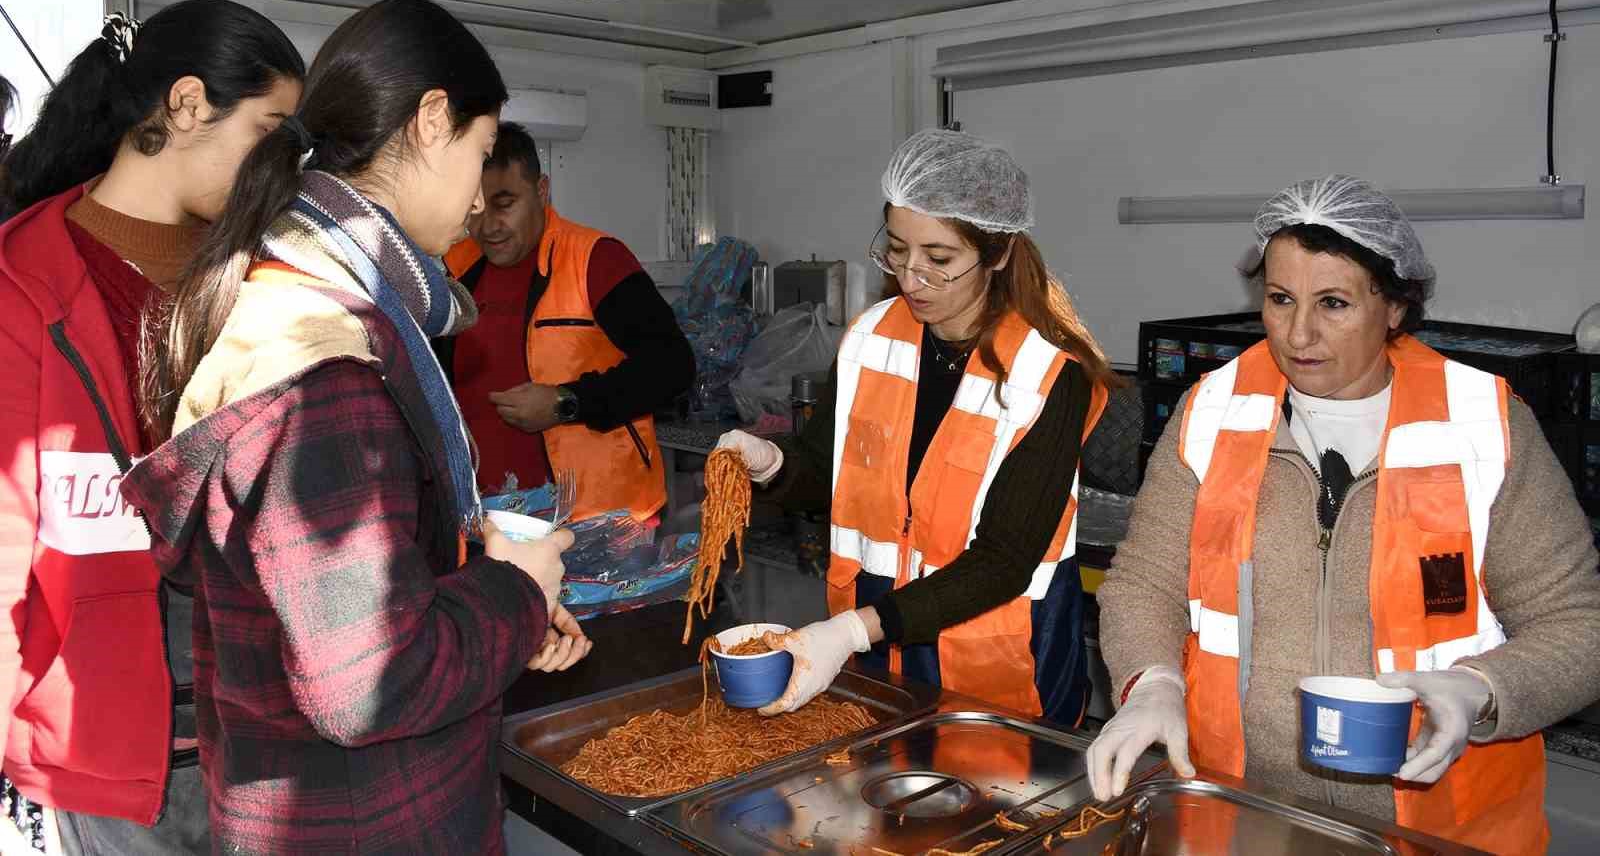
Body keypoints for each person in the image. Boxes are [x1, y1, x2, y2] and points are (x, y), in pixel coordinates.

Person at [120, 0, 590, 854]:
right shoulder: (327, 368)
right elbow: (372, 682)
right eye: (482, 156)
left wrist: (500, 602)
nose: (482, 202)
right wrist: (519, 591)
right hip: (365, 819)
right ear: (433, 120)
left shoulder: (288, 297)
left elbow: (349, 603)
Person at [1091, 175, 1600, 854]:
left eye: (1333, 303)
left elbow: (1580, 625)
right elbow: (1143, 583)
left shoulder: (1483, 424)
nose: (1299, 333)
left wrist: (1481, 689)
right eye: (1280, 300)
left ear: (1393, 307)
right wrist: (1150, 681)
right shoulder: (1213, 412)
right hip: (1245, 810)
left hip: (1436, 825)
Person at [0, 2, 305, 854]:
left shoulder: (255, 270)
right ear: (184, 105)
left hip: (264, 696)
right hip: (115, 718)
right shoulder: (28, 281)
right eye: (266, 128)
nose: (274, 163)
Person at [716, 129, 1119, 724]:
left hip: (996, 673)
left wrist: (851, 632)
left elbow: (1004, 559)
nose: (911, 278)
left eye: (939, 260)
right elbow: (828, 474)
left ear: (999, 252)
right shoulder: (872, 339)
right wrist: (776, 464)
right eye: (898, 251)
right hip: (874, 661)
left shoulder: (1048, 374)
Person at [440, 122, 693, 522]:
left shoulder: (597, 260)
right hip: (491, 518)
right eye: (476, 206)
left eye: (504, 203)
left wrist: (567, 403)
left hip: (597, 519)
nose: (488, 225)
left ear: (541, 192)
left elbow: (672, 367)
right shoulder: (458, 269)